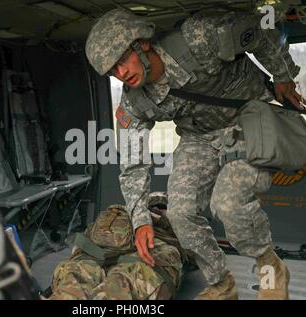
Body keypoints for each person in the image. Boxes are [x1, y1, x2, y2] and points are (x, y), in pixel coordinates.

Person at [85, 8, 302, 299]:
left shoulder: (199, 37)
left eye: (123, 59)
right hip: (199, 136)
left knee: (228, 204)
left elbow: (259, 32)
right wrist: (140, 222)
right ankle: (221, 283)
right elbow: (131, 163)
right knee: (180, 213)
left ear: (143, 43)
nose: (121, 73)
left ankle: (270, 266)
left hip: (248, 121)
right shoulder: (134, 102)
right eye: (113, 70)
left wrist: (282, 75)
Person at [49, 192, 187, 300]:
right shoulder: (173, 220)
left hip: (96, 252)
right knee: (123, 282)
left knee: (75, 277)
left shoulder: (118, 214)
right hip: (143, 255)